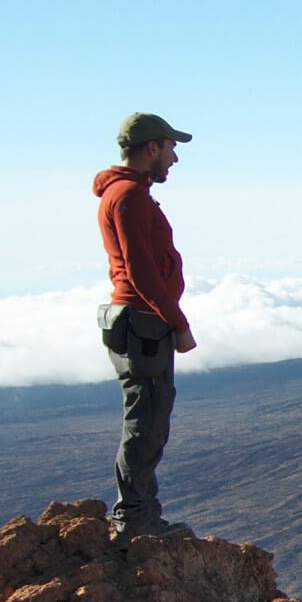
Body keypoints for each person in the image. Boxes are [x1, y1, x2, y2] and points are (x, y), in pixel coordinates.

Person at [94, 112, 198, 538]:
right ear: (151, 147)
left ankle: (140, 512)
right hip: (143, 323)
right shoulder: (129, 197)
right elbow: (140, 271)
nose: (174, 158)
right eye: (171, 148)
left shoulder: (126, 193)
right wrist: (178, 324)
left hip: (138, 321)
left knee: (149, 418)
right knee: (146, 421)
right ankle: (135, 518)